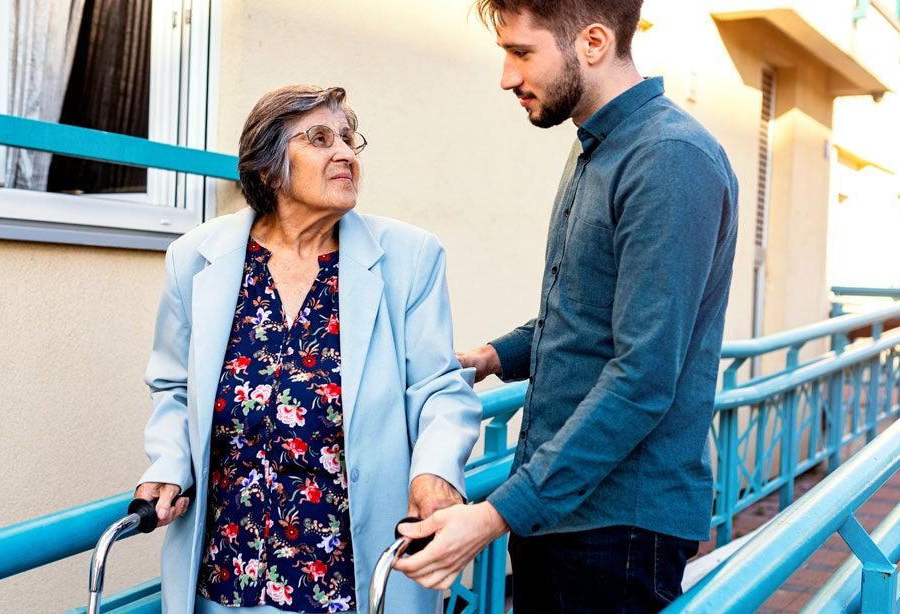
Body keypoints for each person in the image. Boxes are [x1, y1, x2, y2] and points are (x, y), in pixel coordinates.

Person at [394, 1, 739, 611]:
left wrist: (494, 515)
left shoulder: (668, 158)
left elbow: (642, 377)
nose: (506, 76)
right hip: (561, 510)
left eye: (521, 53)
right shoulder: (600, 147)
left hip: (617, 526)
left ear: (594, 42)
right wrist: (490, 358)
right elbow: (583, 317)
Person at [134, 85, 481, 614]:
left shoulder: (410, 259)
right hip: (225, 577)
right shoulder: (196, 259)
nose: (344, 152)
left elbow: (437, 388)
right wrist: (168, 463)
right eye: (320, 139)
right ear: (269, 169)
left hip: (349, 582)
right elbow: (175, 387)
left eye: (348, 138)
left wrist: (434, 472)